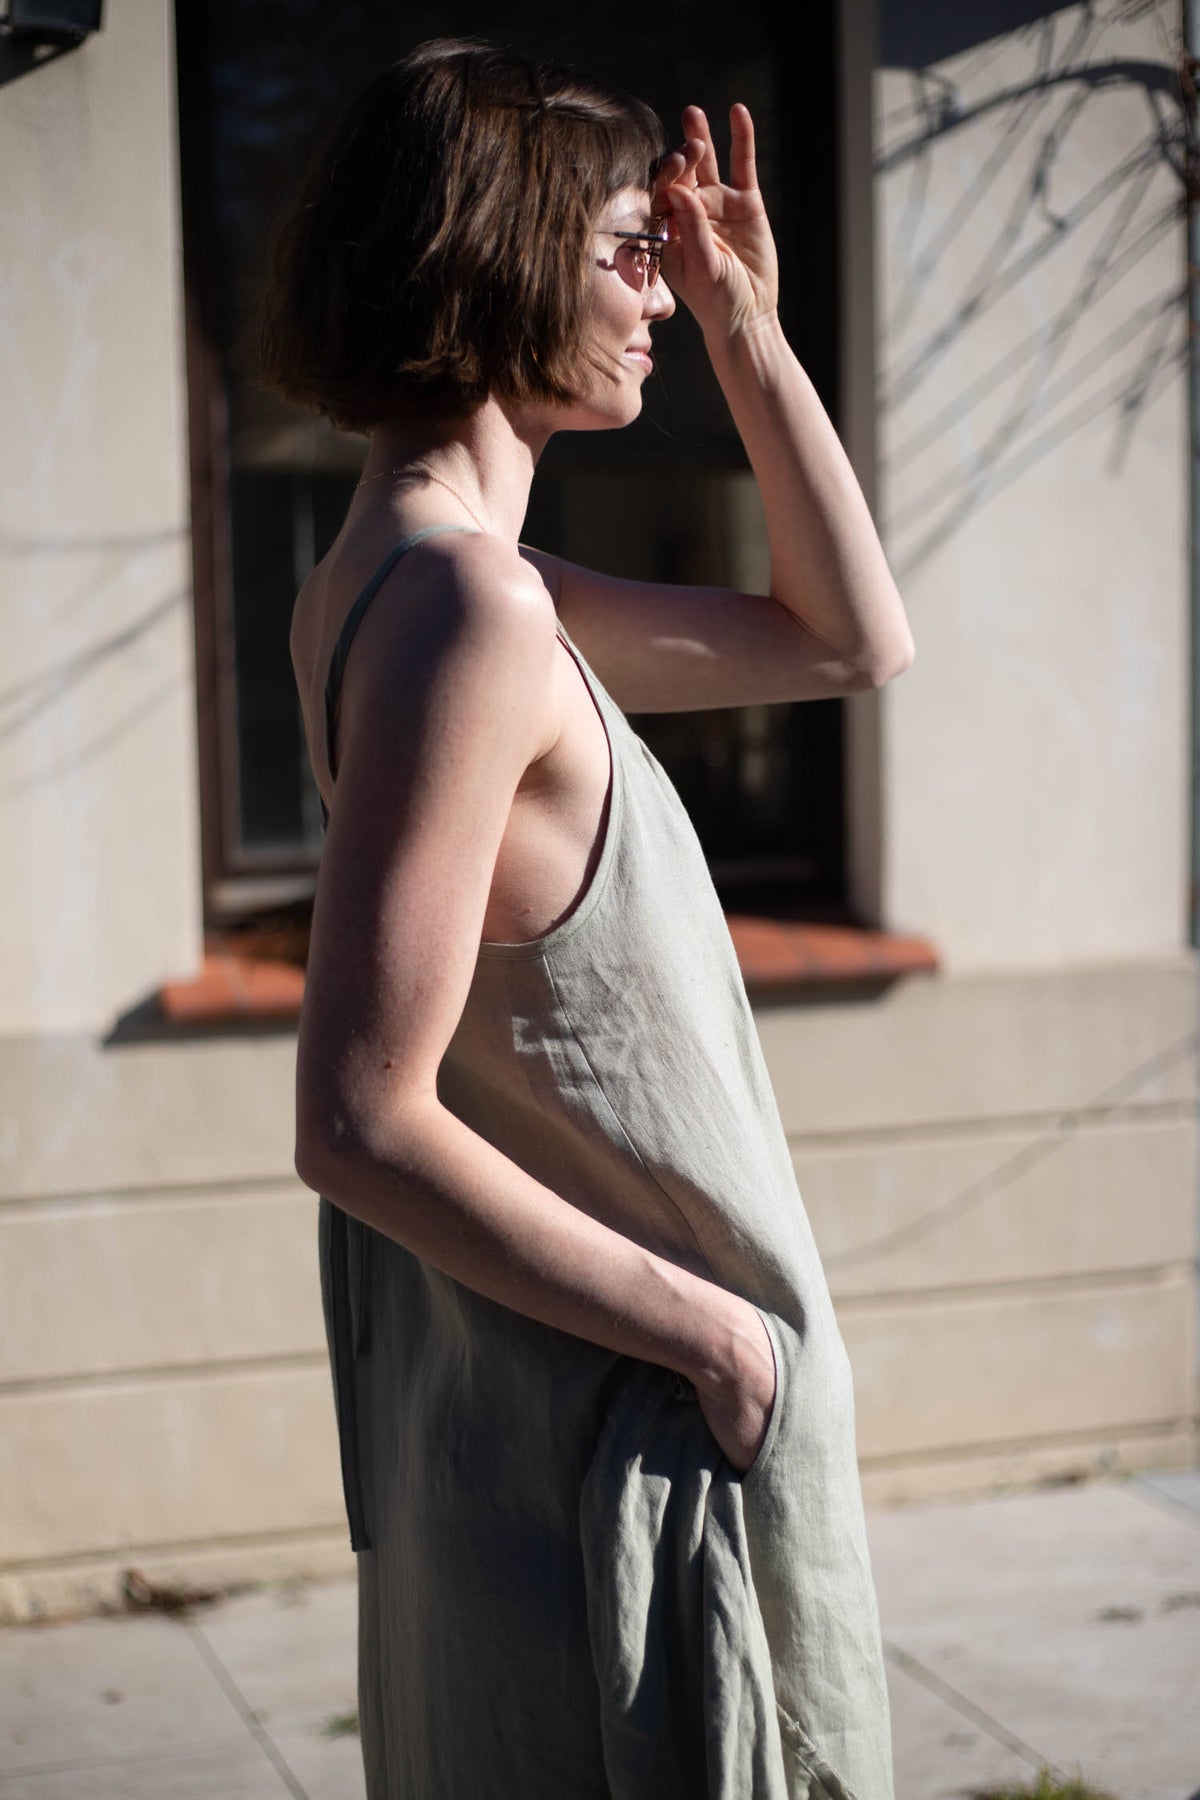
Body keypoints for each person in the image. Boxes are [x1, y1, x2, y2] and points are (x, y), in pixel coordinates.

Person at [264, 36, 913, 1800]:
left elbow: (850, 643)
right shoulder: (466, 616)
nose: (660, 292)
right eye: (631, 250)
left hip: (547, 1415)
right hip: (615, 1448)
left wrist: (752, 333)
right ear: (500, 254)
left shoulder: (414, 581)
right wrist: (719, 1341)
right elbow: (355, 1116)